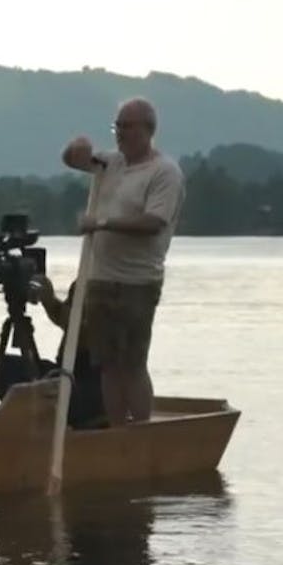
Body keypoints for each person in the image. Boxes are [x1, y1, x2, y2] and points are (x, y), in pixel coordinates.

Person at [61, 97, 186, 426]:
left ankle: (141, 429)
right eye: (117, 126)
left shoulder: (164, 172)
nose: (120, 133)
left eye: (127, 127)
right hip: (101, 279)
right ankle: (118, 429)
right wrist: (77, 147)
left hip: (137, 284)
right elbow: (72, 160)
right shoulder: (109, 164)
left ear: (148, 129)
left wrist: (100, 224)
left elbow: (153, 223)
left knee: (132, 363)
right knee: (107, 364)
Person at [0, 275, 107, 429]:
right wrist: (46, 299)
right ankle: (25, 421)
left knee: (48, 387)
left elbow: (86, 333)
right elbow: (65, 317)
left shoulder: (112, 283)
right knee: (2, 367)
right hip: (67, 372)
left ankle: (58, 423)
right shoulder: (85, 279)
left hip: (94, 382)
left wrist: (50, 299)